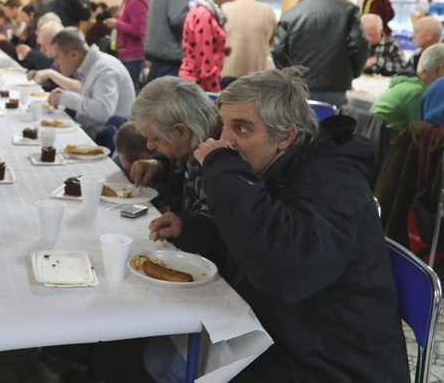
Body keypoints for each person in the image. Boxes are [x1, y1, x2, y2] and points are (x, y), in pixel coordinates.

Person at [144, 67, 408, 382]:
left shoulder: (334, 183)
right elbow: (250, 241)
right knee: (158, 351)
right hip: (288, 332)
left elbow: (283, 268)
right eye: (224, 126)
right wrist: (192, 230)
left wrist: (223, 170)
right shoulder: (275, 168)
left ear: (285, 136)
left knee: (167, 362)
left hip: (335, 362)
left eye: (241, 129)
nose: (226, 141)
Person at [272, 0, 368, 107]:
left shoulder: (290, 13)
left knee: (299, 124)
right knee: (333, 124)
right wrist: (354, 73)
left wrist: (288, 75)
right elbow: (360, 45)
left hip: (298, 83)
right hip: (335, 83)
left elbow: (278, 50)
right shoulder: (348, 10)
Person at [128, 76, 217, 215]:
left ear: (182, 131)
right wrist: (159, 166)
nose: (150, 146)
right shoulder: (196, 140)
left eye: (156, 139)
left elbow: (210, 228)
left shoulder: (220, 162)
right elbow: (183, 159)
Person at [46, 28, 135, 137]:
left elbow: (103, 110)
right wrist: (64, 97)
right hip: (95, 132)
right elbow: (92, 99)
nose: (56, 64)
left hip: (108, 140)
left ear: (74, 54)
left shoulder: (105, 69)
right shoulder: (93, 65)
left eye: (57, 58)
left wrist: (66, 98)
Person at [179, 0, 235, 92]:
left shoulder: (202, 10)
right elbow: (204, 58)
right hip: (198, 82)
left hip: (197, 80)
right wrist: (214, 91)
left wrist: (221, 48)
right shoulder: (204, 15)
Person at [220, 0, 276, 88]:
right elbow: (271, 41)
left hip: (228, 73)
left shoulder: (225, 8)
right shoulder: (268, 11)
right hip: (256, 75)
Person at [144, 0, 194, 80]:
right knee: (167, 97)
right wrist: (192, 20)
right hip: (169, 52)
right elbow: (177, 19)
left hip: (157, 50)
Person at [104, 0, 148, 92]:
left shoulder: (135, 3)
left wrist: (116, 24)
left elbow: (137, 30)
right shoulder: (128, 1)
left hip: (133, 53)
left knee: (129, 89)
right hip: (126, 52)